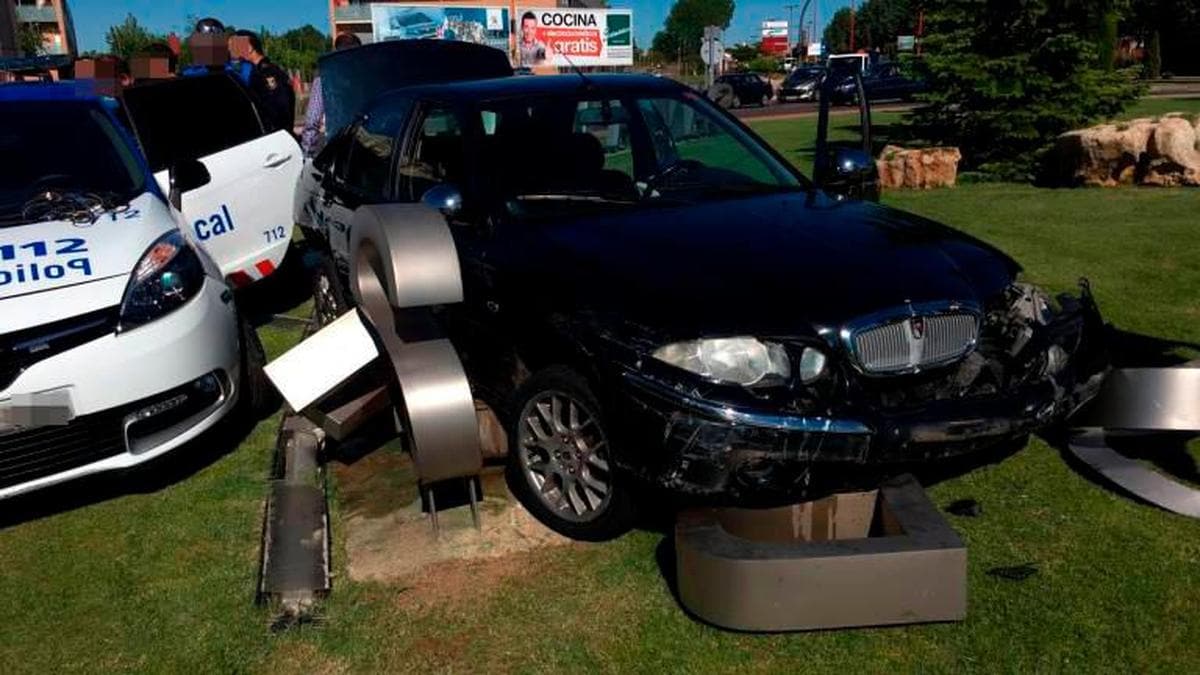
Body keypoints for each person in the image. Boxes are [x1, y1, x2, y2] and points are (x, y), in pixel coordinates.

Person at [302, 32, 361, 157]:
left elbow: (312, 120)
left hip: (339, 146)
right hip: (371, 145)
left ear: (336, 52)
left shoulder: (325, 77)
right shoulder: (368, 74)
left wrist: (308, 153)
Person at [228, 29, 295, 135]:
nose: (231, 53)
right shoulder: (258, 72)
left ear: (249, 48)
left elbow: (280, 111)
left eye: (234, 47)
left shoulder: (266, 73)